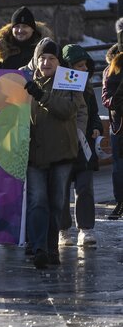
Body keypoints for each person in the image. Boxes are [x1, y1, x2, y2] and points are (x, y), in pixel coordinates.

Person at [24, 38, 84, 269]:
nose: (46, 62)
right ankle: (39, 248)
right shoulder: (25, 80)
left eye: (51, 58)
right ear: (36, 61)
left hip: (61, 154)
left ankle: (51, 249)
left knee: (57, 202)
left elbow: (68, 110)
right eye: (42, 58)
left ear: (59, 62)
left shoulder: (71, 81)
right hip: (34, 154)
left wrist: (41, 95)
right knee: (37, 201)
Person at [58, 45, 101, 248]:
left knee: (84, 187)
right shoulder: (58, 88)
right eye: (79, 65)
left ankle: (86, 229)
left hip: (84, 147)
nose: (84, 69)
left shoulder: (88, 89)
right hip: (62, 144)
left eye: (85, 65)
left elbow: (93, 115)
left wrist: (95, 127)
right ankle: (63, 230)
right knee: (62, 188)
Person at [102, 48, 123, 220]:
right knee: (119, 167)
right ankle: (120, 202)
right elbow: (107, 98)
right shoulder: (110, 69)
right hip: (119, 125)